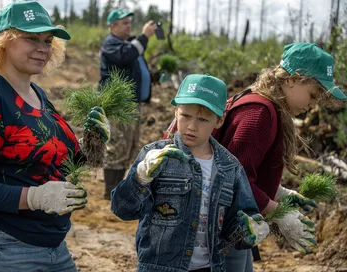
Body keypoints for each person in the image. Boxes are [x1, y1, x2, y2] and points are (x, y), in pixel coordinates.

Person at [0, 2, 110, 271]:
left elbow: (55, 161)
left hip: (52, 245)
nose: (43, 48)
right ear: (2, 42)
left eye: (48, 41)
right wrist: (35, 198)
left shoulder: (37, 95)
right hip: (2, 244)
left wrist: (93, 142)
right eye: (31, 39)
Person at [164, 42, 347, 271]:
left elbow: (241, 167)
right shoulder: (258, 114)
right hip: (220, 228)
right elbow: (231, 180)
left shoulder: (263, 102)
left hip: (234, 222)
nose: (313, 104)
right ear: (292, 79)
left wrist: (277, 192)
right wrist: (278, 213)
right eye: (312, 94)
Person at [111, 74, 270, 272]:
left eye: (203, 119)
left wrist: (250, 229)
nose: (192, 126)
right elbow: (122, 209)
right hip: (160, 267)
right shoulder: (155, 157)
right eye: (185, 115)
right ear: (176, 111)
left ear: (219, 121)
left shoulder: (230, 167)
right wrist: (140, 177)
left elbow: (236, 222)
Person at [99, 8, 157, 199]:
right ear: (113, 26)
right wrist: (145, 36)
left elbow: (133, 64)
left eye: (129, 22)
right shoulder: (111, 44)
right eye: (124, 23)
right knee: (117, 146)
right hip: (118, 104)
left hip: (132, 104)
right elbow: (126, 55)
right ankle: (110, 191)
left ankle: (117, 189)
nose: (128, 26)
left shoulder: (126, 44)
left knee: (130, 146)